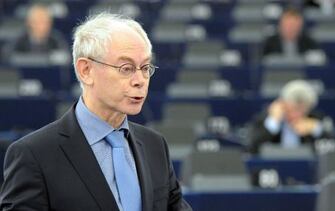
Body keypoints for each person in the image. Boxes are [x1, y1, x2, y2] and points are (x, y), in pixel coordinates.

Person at [0, 13, 192, 211]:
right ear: (86, 70)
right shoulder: (33, 154)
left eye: (145, 67)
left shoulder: (155, 145)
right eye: (126, 68)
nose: (140, 80)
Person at [248, 80, 334, 154]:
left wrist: (316, 129)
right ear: (282, 104)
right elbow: (251, 147)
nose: (297, 114)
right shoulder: (265, 119)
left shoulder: (315, 118)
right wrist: (273, 123)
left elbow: (333, 148)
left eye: (302, 111)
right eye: (293, 109)